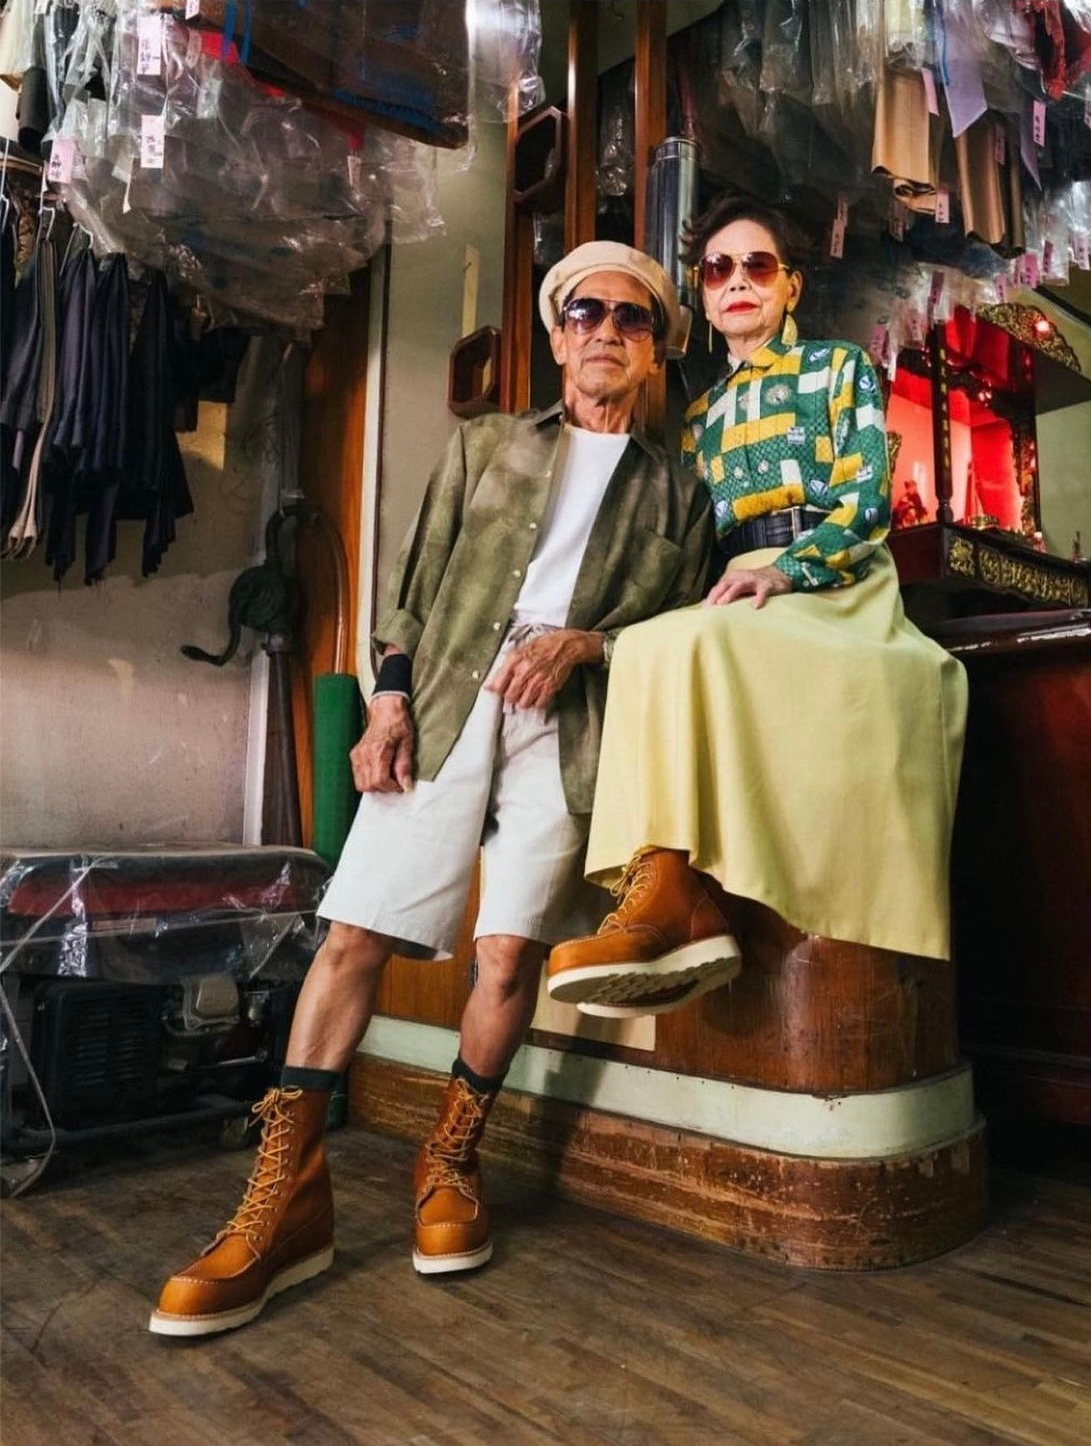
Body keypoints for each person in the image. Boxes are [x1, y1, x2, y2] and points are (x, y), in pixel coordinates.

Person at [149, 242, 713, 1337]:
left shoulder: (680, 492)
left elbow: (680, 630)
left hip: (571, 730)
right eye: (586, 310)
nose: (606, 329)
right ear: (557, 336)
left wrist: (587, 643)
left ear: (652, 351)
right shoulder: (488, 445)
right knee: (356, 932)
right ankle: (283, 1198)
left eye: (632, 319)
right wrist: (388, 703)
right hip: (450, 700)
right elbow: (410, 587)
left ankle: (451, 1160)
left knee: (509, 952)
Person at [547, 195, 968, 1017]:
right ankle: (664, 885)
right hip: (734, 580)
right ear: (703, 298)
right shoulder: (699, 415)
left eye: (758, 266)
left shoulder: (841, 368)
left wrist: (788, 572)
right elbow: (700, 539)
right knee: (648, 645)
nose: (737, 282)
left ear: (791, 287)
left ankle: (678, 897)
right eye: (717, 270)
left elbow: (867, 501)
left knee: (695, 643)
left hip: (835, 579)